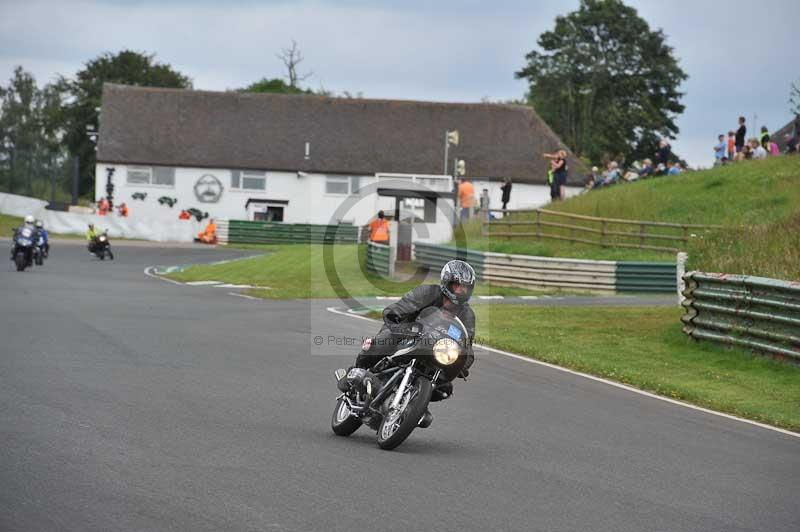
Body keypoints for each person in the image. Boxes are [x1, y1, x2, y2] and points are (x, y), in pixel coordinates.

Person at [343, 260, 477, 412]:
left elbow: (467, 346)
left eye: (465, 288)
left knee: (445, 388)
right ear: (446, 282)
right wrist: (396, 317)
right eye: (457, 285)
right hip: (405, 333)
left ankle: (416, 402)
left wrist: (462, 364)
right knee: (382, 344)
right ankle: (354, 375)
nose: (460, 291)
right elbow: (401, 306)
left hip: (435, 350)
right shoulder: (427, 292)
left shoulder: (467, 315)